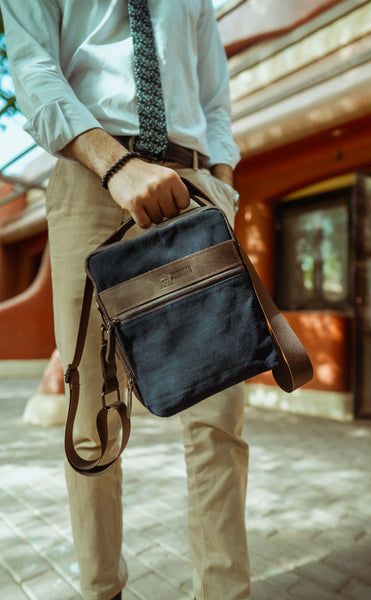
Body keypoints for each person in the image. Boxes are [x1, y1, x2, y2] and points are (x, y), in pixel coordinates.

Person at [1, 1, 251, 599]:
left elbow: (215, 97)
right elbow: (35, 68)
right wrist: (116, 166)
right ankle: (102, 592)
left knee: (220, 415)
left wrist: (220, 185)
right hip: (91, 182)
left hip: (195, 192)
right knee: (92, 415)